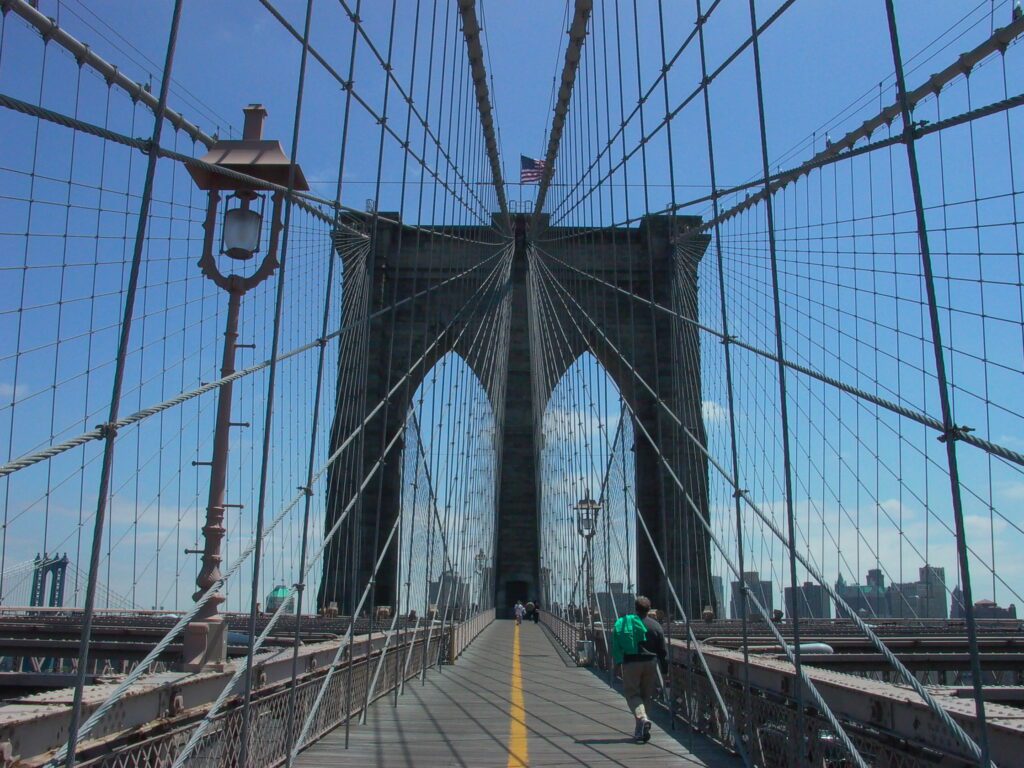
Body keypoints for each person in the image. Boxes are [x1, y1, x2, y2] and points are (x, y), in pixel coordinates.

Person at [610, 595, 667, 743]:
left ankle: (642, 719)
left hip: (632, 663)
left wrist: (616, 666)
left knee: (633, 695)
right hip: (651, 662)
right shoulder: (656, 626)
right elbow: (663, 652)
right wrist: (665, 671)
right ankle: (641, 730)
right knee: (646, 696)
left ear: (635, 609)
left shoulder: (625, 624)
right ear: (649, 609)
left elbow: (617, 647)